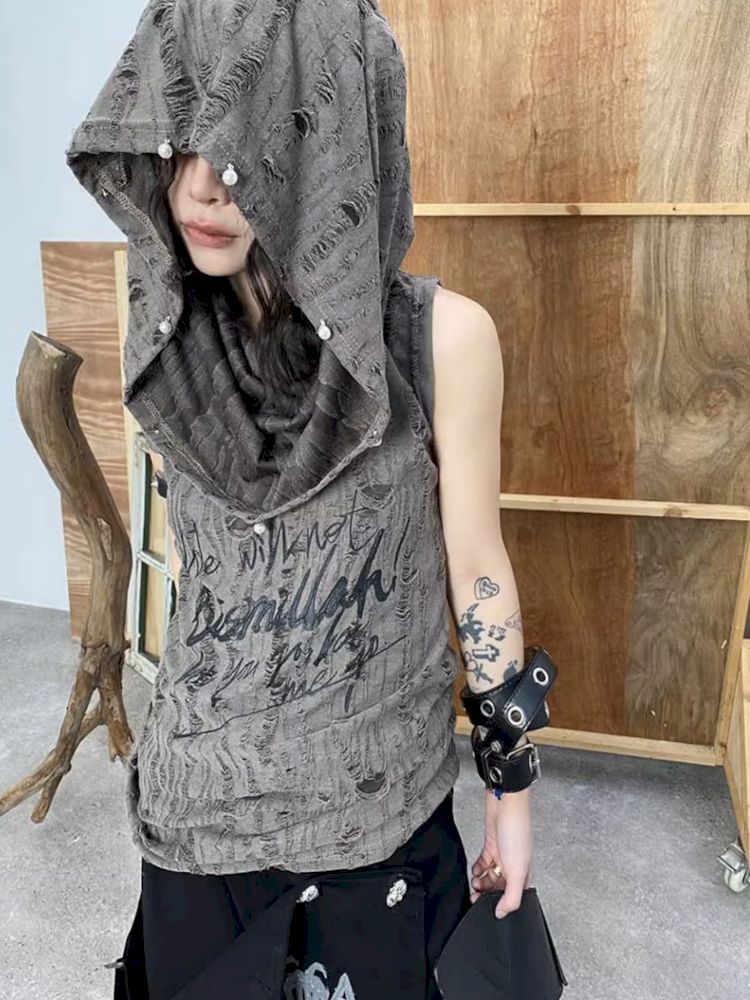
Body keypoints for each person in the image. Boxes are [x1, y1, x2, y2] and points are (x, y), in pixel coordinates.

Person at [67, 1, 539, 997]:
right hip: (198, 813)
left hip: (375, 816)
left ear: (332, 141)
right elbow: (200, 578)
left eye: (254, 144)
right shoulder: (171, 345)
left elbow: (477, 565)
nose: (204, 184)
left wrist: (511, 790)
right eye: (188, 137)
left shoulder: (440, 340)